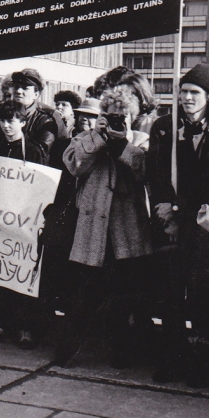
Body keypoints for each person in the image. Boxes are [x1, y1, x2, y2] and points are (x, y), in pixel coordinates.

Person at [147, 63, 209, 384]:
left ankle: (202, 363)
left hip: (204, 224)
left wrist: (190, 209)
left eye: (194, 93)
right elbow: (155, 171)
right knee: (171, 292)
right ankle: (172, 358)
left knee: (201, 294)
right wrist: (164, 205)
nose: (186, 97)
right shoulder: (163, 127)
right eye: (183, 91)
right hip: (171, 222)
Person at [59, 86, 154, 368]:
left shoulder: (141, 140)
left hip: (126, 230)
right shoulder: (87, 137)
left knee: (122, 295)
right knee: (84, 291)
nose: (116, 121)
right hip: (93, 228)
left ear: (132, 117)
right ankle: (70, 347)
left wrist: (122, 144)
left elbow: (143, 171)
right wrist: (98, 137)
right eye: (111, 115)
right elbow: (74, 164)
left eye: (122, 116)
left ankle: (119, 351)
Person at [0, 101, 48, 349]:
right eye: (3, 121)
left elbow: (42, 188)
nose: (7, 126)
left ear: (23, 122)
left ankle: (25, 327)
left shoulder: (34, 150)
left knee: (23, 274)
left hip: (24, 223)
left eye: (12, 121)